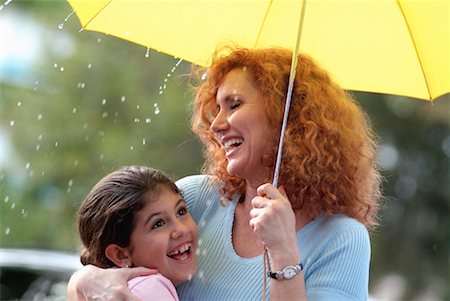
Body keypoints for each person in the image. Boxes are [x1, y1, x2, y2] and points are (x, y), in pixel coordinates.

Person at [68, 46, 382, 301]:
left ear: (285, 118)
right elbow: (105, 269)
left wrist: (284, 250)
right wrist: (86, 279)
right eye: (216, 108)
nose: (216, 124)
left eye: (233, 105)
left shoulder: (340, 239)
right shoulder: (192, 200)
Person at [76, 166, 198, 301]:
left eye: (181, 212)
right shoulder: (149, 289)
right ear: (120, 254)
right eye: (158, 223)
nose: (181, 229)